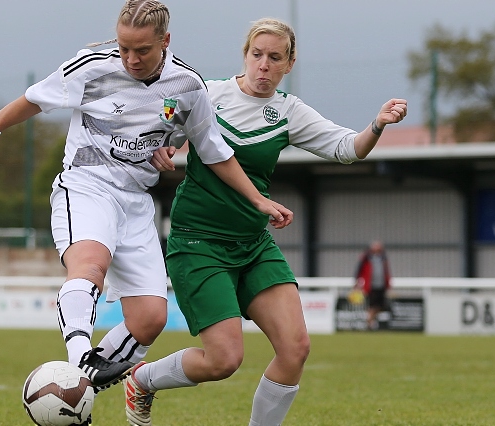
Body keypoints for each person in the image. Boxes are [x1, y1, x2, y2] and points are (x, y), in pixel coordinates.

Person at [0, 0, 292, 404]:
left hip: (136, 201)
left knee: (151, 318)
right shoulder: (91, 64)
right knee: (89, 264)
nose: (131, 59)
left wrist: (257, 199)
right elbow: (36, 98)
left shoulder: (188, 86)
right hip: (86, 185)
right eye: (124, 48)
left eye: (142, 50)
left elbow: (213, 150)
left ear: (165, 42)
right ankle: (77, 363)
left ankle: (88, 381)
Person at [122, 17, 408, 426]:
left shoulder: (289, 111)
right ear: (245, 56)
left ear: (289, 64)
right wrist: (163, 147)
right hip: (198, 244)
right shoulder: (208, 93)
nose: (264, 65)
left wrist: (377, 124)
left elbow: (348, 148)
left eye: (275, 58)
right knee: (224, 360)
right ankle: (143, 380)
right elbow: (162, 128)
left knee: (295, 349)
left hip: (254, 245)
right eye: (257, 55)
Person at [354, 240, 392, 330]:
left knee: (380, 306)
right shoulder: (366, 258)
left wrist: (388, 284)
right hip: (370, 286)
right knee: (372, 305)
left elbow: (386, 272)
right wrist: (357, 283)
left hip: (381, 286)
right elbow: (359, 271)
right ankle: (369, 323)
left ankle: (370, 321)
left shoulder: (383, 258)